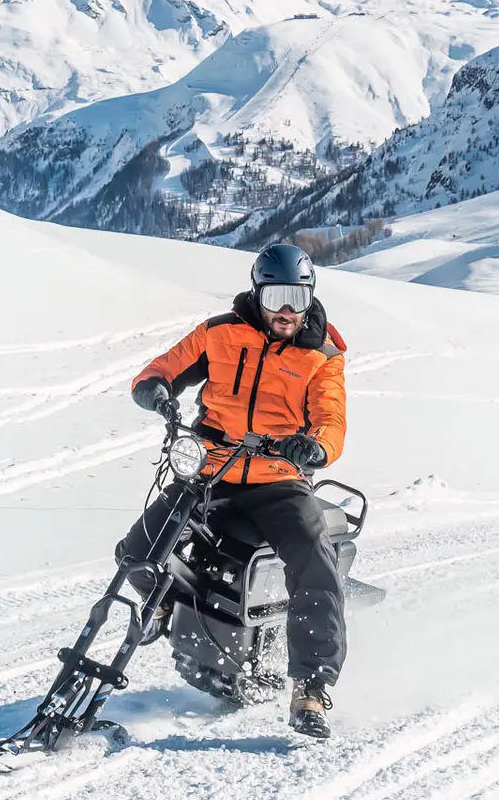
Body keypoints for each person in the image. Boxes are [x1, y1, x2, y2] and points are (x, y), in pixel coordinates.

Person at [120, 243, 349, 738]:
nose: (287, 311)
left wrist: (313, 448)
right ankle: (163, 605)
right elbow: (164, 366)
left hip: (277, 480)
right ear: (257, 294)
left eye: (297, 297)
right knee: (137, 551)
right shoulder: (220, 333)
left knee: (314, 562)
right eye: (276, 297)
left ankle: (310, 686)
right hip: (211, 470)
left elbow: (331, 419)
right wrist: (153, 388)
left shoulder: (322, 356)